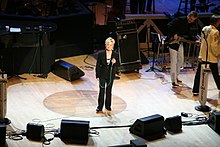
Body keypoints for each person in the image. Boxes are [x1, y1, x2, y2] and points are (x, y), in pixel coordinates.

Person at [167, 11, 199, 88]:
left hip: (179, 42)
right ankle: (173, 81)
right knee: (174, 61)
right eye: (190, 19)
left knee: (181, 60)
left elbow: (189, 33)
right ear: (188, 16)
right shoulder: (180, 19)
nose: (190, 21)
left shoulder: (189, 23)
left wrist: (195, 40)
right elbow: (169, 25)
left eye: (192, 20)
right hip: (172, 42)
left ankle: (176, 77)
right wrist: (174, 33)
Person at [192, 15, 220, 96]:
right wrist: (218, 54)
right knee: (216, 74)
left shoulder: (204, 28)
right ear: (216, 22)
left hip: (203, 55)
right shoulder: (215, 32)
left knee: (199, 74)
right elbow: (214, 45)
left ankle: (195, 90)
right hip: (211, 56)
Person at [95, 37, 119, 113]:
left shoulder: (115, 54)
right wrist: (97, 75)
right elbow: (98, 65)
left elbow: (118, 65)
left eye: (111, 45)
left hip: (110, 75)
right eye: (108, 44)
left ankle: (108, 106)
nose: (109, 46)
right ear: (105, 45)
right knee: (101, 91)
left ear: (113, 46)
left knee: (109, 91)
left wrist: (115, 63)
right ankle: (100, 107)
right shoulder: (101, 54)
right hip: (102, 75)